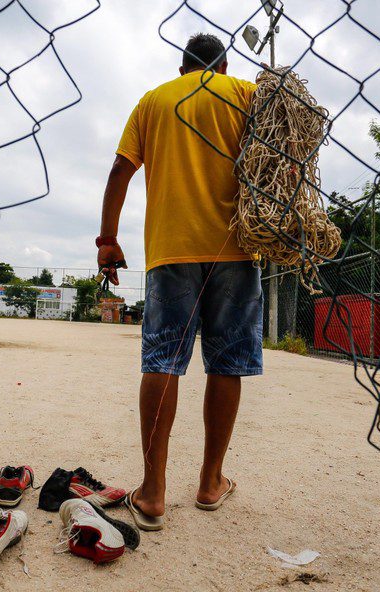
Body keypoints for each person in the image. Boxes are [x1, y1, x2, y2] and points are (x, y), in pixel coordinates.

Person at [95, 33, 263, 531]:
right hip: (237, 246)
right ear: (223, 64)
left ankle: (153, 493)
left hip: (171, 249)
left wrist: (108, 239)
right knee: (226, 362)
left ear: (183, 65)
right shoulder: (246, 94)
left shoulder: (155, 99)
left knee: (163, 362)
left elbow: (120, 170)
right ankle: (211, 484)